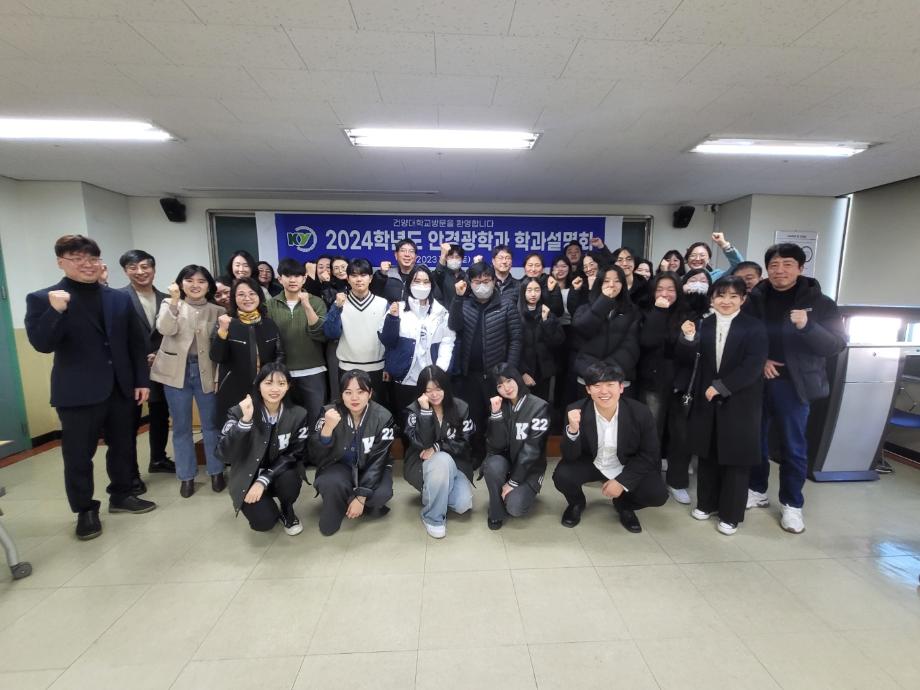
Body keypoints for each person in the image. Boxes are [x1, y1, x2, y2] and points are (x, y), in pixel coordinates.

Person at [25, 235, 157, 540]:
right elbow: (42, 344)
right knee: (78, 456)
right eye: (77, 259)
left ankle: (122, 494)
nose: (87, 264)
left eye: (93, 259)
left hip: (121, 388)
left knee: (123, 446)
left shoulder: (118, 298)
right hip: (77, 392)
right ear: (61, 262)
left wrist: (141, 380)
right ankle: (85, 509)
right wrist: (55, 311)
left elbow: (136, 344)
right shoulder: (44, 298)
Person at [743, 243, 846, 534]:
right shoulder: (755, 299)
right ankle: (757, 489)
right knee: (755, 440)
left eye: (787, 264)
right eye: (774, 265)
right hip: (758, 380)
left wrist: (808, 326)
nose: (780, 270)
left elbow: (836, 345)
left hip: (794, 384)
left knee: (793, 445)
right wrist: (761, 359)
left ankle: (792, 503)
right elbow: (744, 336)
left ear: (800, 268)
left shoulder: (821, 303)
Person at [678, 276, 767, 535]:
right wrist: (688, 339)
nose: (726, 301)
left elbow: (753, 366)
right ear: (712, 299)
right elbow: (691, 360)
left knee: (736, 459)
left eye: (733, 296)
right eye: (720, 295)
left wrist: (722, 386)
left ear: (743, 299)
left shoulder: (754, 327)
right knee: (708, 452)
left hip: (740, 401)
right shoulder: (704, 324)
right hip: (706, 400)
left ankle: (731, 514)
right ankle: (706, 503)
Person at [554, 361, 667, 532]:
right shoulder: (576, 410)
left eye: (610, 385)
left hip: (625, 463)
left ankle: (624, 505)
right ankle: (576, 503)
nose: (604, 391)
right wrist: (573, 430)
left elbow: (649, 454)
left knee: (657, 495)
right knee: (562, 475)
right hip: (593, 461)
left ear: (621, 387)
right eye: (597, 385)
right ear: (588, 389)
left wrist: (622, 482)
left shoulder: (640, 412)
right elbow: (569, 456)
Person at [151, 265, 226, 498]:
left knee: (211, 425)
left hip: (206, 371)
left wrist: (217, 377)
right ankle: (186, 476)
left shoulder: (218, 310)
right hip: (176, 372)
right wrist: (174, 301)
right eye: (190, 280)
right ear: (180, 283)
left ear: (209, 286)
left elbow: (220, 348)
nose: (195, 285)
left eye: (201, 281)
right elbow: (164, 328)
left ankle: (216, 471)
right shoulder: (169, 304)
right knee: (181, 427)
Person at [216, 363, 308, 535]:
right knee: (263, 522)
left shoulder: (298, 414)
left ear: (288, 386)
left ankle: (287, 509)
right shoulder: (239, 412)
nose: (275, 389)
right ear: (258, 385)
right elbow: (223, 454)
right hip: (248, 478)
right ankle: (268, 509)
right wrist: (244, 422)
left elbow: (295, 453)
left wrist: (263, 480)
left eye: (281, 383)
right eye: (268, 383)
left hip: (279, 474)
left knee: (291, 477)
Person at [448, 261, 522, 464]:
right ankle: (476, 454)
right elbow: (453, 325)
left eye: (486, 281)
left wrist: (508, 372)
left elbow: (516, 339)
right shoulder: (464, 303)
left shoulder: (506, 305)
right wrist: (457, 297)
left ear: (494, 281)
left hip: (496, 376)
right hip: (469, 374)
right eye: (477, 282)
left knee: (497, 416)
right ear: (469, 283)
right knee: (472, 417)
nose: (482, 286)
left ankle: (498, 455)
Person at [310, 370, 397, 536]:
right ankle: (340, 500)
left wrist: (361, 496)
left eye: (360, 392)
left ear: (370, 393)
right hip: (339, 466)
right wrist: (327, 429)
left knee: (381, 493)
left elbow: (379, 459)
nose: (354, 398)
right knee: (329, 483)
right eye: (348, 392)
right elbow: (314, 455)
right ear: (341, 394)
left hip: (370, 465)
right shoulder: (328, 413)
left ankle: (353, 498)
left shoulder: (384, 416)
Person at [118, 249, 174, 487]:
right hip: (131, 370)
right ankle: (130, 474)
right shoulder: (118, 298)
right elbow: (117, 336)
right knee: (129, 422)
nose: (140, 272)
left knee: (160, 415)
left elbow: (173, 333)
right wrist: (140, 358)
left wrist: (160, 353)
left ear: (153, 269)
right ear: (125, 271)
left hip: (161, 367)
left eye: (145, 266)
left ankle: (158, 458)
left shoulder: (167, 299)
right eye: (133, 267)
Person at [637, 272, 694, 504]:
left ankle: (677, 482)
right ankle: (650, 479)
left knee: (681, 434)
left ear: (678, 291)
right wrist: (659, 312)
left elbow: (689, 354)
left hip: (680, 383)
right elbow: (647, 341)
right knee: (652, 433)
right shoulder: (647, 312)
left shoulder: (687, 314)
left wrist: (689, 338)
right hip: (653, 381)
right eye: (660, 289)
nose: (665, 294)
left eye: (670, 289)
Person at [378, 265, 456, 426]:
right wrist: (393, 318)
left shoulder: (441, 313)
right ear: (409, 284)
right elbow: (387, 341)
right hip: (404, 380)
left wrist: (439, 371)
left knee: (431, 423)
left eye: (426, 282)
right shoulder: (398, 308)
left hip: (431, 382)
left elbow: (448, 342)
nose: (421, 285)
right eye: (417, 281)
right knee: (406, 423)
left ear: (432, 285)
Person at [403, 366, 474, 538]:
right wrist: (426, 412)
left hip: (456, 464)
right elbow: (423, 444)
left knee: (463, 504)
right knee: (441, 460)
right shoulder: (413, 410)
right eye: (428, 391)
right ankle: (432, 518)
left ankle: (434, 492)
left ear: (446, 387)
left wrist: (438, 447)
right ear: (421, 392)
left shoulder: (461, 407)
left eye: (438, 389)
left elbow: (464, 443)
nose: (434, 395)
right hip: (421, 464)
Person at [481, 363, 551, 530]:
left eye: (509, 381)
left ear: (518, 379)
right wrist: (496, 415)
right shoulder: (499, 405)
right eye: (500, 385)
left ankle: (518, 491)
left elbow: (532, 451)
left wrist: (513, 482)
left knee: (515, 507)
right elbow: (497, 445)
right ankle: (496, 511)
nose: (506, 388)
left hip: (530, 469)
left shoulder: (539, 407)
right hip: (507, 463)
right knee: (492, 465)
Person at [211, 276, 285, 427]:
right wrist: (223, 331)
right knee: (236, 432)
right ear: (234, 298)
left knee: (263, 430)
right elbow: (217, 356)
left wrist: (272, 377)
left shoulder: (269, 323)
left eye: (252, 293)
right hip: (233, 388)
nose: (247, 298)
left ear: (259, 296)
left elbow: (280, 354)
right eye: (241, 294)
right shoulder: (226, 322)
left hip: (264, 388)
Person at [265, 258, 327, 427]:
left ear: (304, 278)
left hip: (313, 370)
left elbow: (321, 334)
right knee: (286, 422)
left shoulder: (316, 302)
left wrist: (306, 304)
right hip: (282, 372)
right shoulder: (270, 305)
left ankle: (314, 446)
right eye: (288, 275)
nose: (293, 280)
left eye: (297, 276)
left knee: (316, 420)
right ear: (280, 279)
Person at [322, 258, 389, 396]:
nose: (359, 279)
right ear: (347, 279)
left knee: (377, 407)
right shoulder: (339, 303)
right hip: (347, 368)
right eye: (354, 275)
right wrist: (336, 307)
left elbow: (390, 338)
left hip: (377, 367)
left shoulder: (382, 304)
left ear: (370, 278)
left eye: (363, 275)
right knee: (348, 406)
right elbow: (331, 333)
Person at [571, 264, 640, 389]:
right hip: (588, 376)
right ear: (599, 284)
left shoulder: (632, 311)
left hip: (619, 378)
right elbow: (582, 331)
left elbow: (631, 346)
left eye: (617, 281)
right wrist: (604, 301)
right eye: (606, 281)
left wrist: (608, 370)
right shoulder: (584, 308)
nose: (612, 285)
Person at [518, 277, 565, 402]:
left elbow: (558, 341)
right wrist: (522, 372)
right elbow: (512, 347)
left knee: (542, 407)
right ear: (523, 292)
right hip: (523, 372)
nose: (533, 294)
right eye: (529, 290)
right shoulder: (516, 314)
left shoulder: (548, 313)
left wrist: (546, 321)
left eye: (537, 290)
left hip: (543, 373)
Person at [372, 239, 433, 303]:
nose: (407, 254)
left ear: (415, 257)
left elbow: (434, 298)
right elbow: (374, 295)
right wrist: (381, 275)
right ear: (396, 255)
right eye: (403, 251)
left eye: (411, 251)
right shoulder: (386, 274)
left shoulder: (424, 275)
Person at [433, 242, 468, 308]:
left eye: (457, 257)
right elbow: (436, 276)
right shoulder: (441, 274)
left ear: (462, 259)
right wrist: (443, 255)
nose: (454, 259)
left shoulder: (466, 276)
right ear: (446, 258)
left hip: (462, 312)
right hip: (444, 312)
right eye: (451, 257)